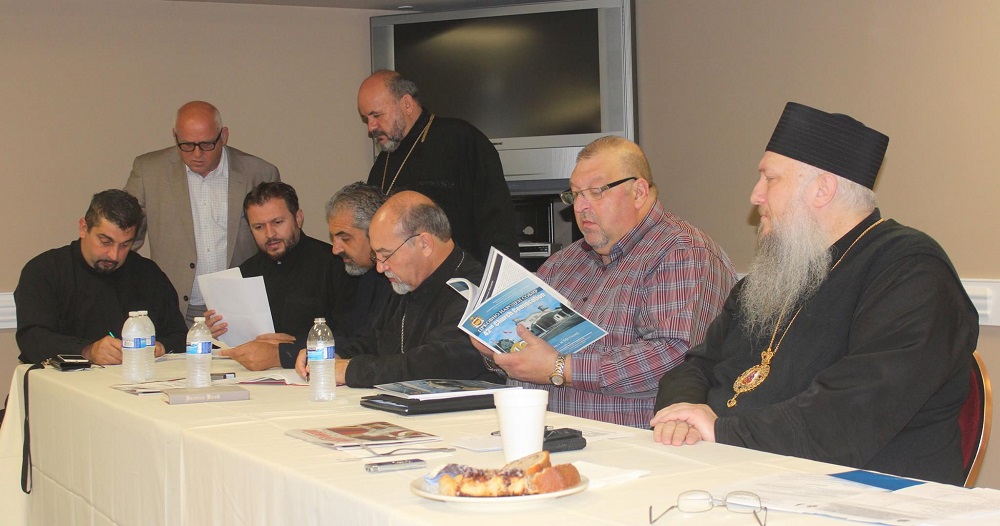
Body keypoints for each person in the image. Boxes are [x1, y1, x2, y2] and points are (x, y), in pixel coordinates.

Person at [651, 102, 978, 486]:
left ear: (822, 190)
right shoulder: (776, 275)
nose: (755, 195)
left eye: (770, 179)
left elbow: (853, 412)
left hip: (868, 493)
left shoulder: (912, 270)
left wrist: (721, 430)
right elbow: (698, 365)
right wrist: (683, 411)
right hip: (745, 471)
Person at [474, 136, 736, 428]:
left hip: (634, 444)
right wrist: (497, 350)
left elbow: (676, 358)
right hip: (542, 434)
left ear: (638, 192)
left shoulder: (683, 252)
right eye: (575, 194)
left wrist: (562, 368)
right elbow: (532, 360)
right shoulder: (563, 263)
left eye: (596, 192)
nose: (580, 206)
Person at [295, 191, 501, 387]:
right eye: (376, 256)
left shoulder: (478, 288)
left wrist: (351, 370)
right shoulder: (406, 280)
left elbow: (439, 363)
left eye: (386, 255)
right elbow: (377, 342)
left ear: (424, 243)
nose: (380, 267)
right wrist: (334, 354)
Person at [125, 101, 280, 325]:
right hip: (174, 307)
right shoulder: (149, 171)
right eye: (187, 145)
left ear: (223, 136)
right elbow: (126, 235)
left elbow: (276, 244)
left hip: (240, 308)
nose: (197, 153)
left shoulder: (259, 173)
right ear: (175, 137)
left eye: (207, 144)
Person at [357, 70, 519, 263]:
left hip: (463, 275)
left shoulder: (461, 140)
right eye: (366, 119)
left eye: (376, 115)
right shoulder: (382, 165)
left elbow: (498, 222)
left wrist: (499, 276)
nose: (371, 128)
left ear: (406, 104)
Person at [14, 190, 187, 364]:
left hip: (137, 375)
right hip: (63, 378)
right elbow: (31, 338)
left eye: (125, 245)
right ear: (84, 228)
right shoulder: (44, 270)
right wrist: (87, 350)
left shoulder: (148, 274)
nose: (114, 255)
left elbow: (179, 335)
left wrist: (162, 346)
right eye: (105, 242)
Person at [205, 182, 357, 371]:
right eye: (259, 227)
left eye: (277, 223)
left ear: (298, 218)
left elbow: (354, 336)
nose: (270, 234)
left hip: (317, 372)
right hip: (252, 377)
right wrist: (216, 332)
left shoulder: (337, 265)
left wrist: (290, 347)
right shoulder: (244, 273)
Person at [325, 182, 394, 347]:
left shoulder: (399, 278)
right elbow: (349, 334)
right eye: (333, 238)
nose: (335, 249)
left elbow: (373, 346)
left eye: (345, 238)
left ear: (375, 231)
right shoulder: (365, 273)